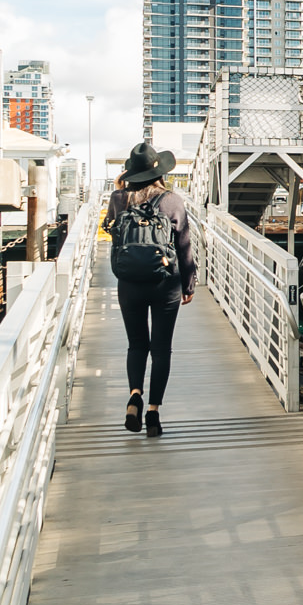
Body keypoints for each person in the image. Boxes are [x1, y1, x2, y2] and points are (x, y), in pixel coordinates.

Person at [106, 142, 194, 438]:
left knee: (136, 345)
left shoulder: (119, 198)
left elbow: (110, 230)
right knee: (161, 349)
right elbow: (184, 245)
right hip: (165, 283)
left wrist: (122, 191)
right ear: (159, 171)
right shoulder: (172, 201)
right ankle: (153, 413)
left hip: (129, 283)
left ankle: (134, 395)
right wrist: (188, 284)